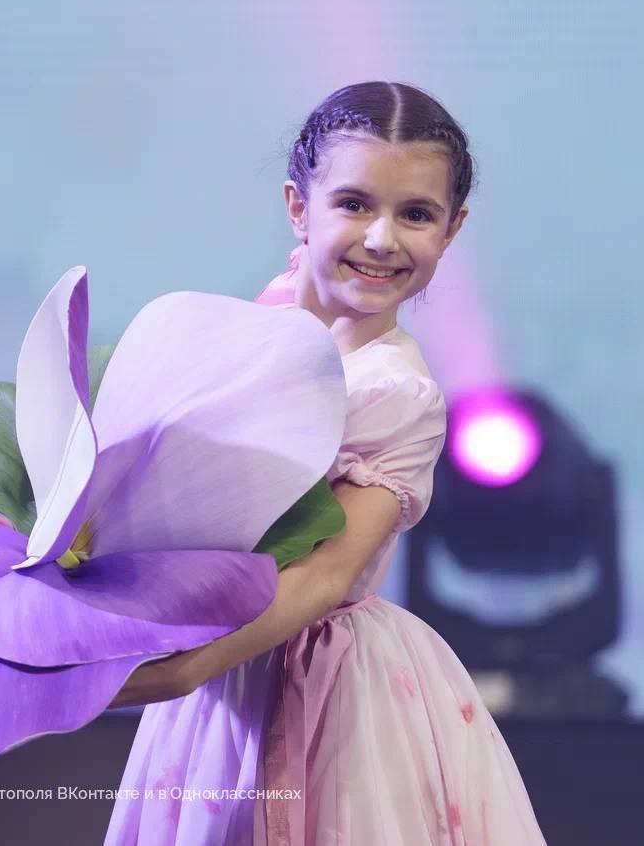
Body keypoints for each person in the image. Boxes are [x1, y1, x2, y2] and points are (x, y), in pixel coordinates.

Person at [100, 82, 547, 845]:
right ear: (298, 207)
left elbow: (325, 574)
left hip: (324, 682)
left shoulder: (396, 392)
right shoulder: (256, 322)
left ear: (452, 229)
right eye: (354, 204)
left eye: (416, 214)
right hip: (219, 677)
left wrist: (181, 669)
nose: (381, 239)